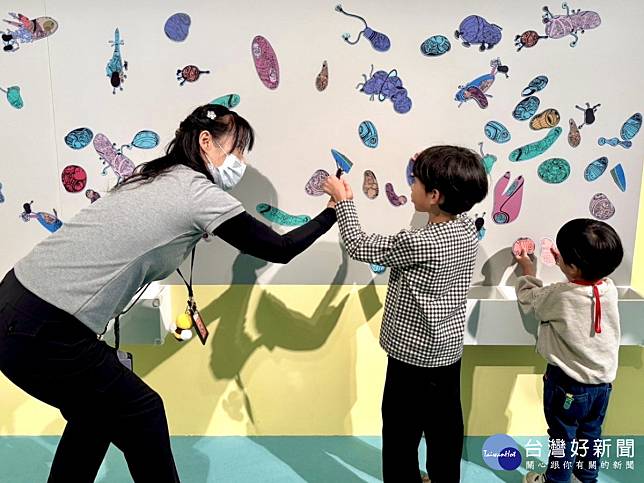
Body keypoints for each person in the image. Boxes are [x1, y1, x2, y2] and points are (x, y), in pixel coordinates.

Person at [0, 104, 337, 483]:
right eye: (236, 149)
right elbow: (279, 249)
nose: (239, 162)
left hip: (14, 303)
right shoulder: (196, 192)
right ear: (205, 140)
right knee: (142, 411)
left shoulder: (151, 176)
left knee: (95, 415)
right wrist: (332, 210)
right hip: (45, 330)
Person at [323, 145, 489, 482]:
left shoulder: (418, 242)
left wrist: (344, 203)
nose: (409, 185)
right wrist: (426, 163)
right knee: (445, 430)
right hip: (446, 353)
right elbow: (450, 196)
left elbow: (359, 245)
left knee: (400, 433)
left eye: (415, 180)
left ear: (434, 195)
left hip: (411, 358)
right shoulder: (468, 229)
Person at [515, 219, 623, 483]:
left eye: (561, 256)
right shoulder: (608, 289)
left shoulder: (559, 296)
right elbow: (583, 285)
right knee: (591, 435)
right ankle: (586, 478)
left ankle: (556, 481)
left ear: (572, 266)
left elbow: (531, 299)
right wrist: (568, 266)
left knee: (562, 438)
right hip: (601, 385)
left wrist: (528, 270)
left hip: (568, 385)